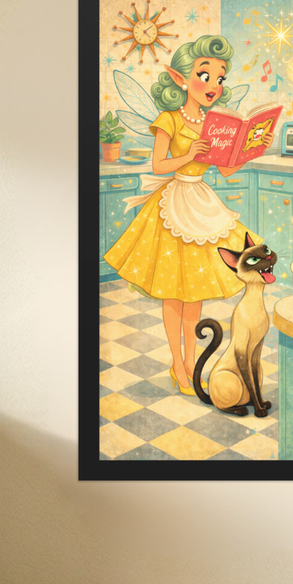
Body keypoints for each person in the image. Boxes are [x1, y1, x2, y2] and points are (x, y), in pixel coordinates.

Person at [104, 33, 267, 394]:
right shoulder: (169, 119)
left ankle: (191, 364)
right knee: (172, 292)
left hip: (202, 204)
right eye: (205, 75)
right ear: (180, 79)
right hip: (174, 204)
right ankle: (177, 364)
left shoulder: (215, 122)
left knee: (194, 293)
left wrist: (249, 148)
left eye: (220, 78)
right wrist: (190, 153)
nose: (213, 85)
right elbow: (158, 164)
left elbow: (224, 170)